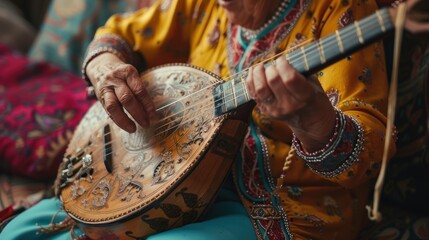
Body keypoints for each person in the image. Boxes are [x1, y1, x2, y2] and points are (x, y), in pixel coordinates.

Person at [0, 0, 396, 239]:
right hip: (173, 174)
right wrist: (105, 66)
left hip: (279, 203)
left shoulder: (341, 10)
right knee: (22, 231)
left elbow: (371, 157)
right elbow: (120, 33)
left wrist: (312, 119)